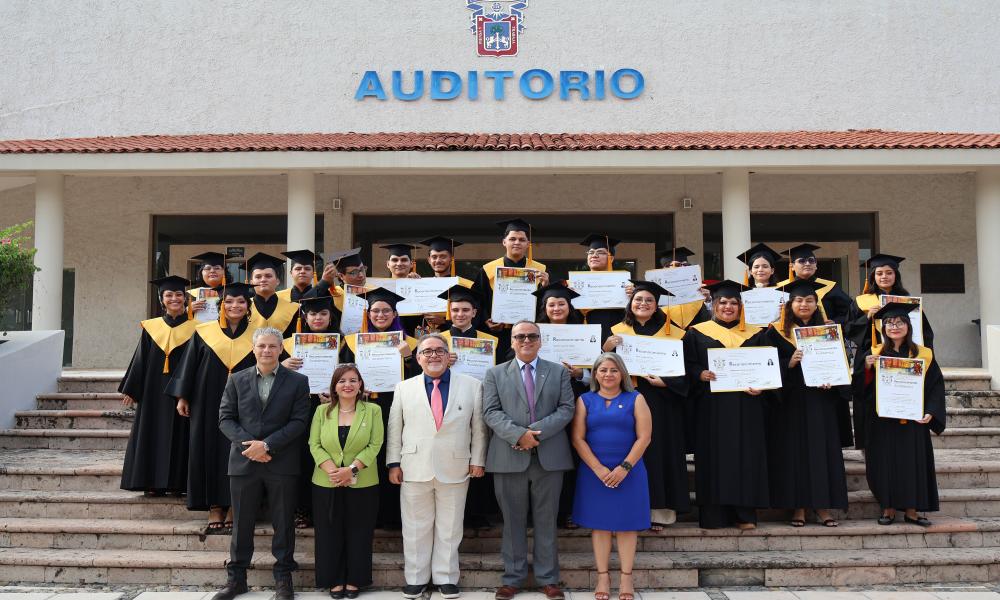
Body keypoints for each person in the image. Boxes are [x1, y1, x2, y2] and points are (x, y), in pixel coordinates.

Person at [213, 327, 311, 600]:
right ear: (253, 349)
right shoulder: (236, 379)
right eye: (262, 346)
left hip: (282, 462)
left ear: (281, 349)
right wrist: (251, 447)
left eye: (272, 346)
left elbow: (299, 421)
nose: (266, 351)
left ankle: (283, 580)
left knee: (283, 523)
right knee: (242, 523)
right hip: (244, 463)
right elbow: (225, 419)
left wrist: (267, 445)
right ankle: (237, 580)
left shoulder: (298, 381)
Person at [387, 333, 488, 599]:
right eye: (427, 351)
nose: (433, 355)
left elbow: (478, 428)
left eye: (439, 350)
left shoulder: (472, 385)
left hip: (455, 466)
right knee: (415, 527)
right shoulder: (403, 388)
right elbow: (395, 428)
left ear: (448, 355)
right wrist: (393, 462)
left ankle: (446, 578)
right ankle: (416, 578)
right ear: (418, 357)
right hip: (413, 466)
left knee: (450, 526)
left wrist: (477, 459)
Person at [482, 321, 575, 600]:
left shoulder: (558, 372)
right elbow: (490, 411)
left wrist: (535, 434)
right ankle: (513, 578)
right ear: (511, 341)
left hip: (549, 456)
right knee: (512, 521)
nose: (526, 340)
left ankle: (549, 579)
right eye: (520, 336)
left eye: (531, 336)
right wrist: (518, 435)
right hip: (509, 456)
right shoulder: (495, 373)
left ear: (540, 340)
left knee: (547, 520)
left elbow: (566, 408)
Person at [167, 282, 258, 531]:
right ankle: (214, 505)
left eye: (240, 302)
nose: (234, 306)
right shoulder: (204, 332)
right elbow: (189, 366)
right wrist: (183, 397)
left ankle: (233, 504)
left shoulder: (259, 334)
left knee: (239, 449)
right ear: (222, 305)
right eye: (229, 302)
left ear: (248, 306)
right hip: (207, 400)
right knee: (207, 449)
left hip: (246, 401)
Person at [683, 280, 771, 530]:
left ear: (741, 306)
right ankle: (714, 516)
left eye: (733, 302)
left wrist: (763, 384)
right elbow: (687, 365)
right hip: (712, 407)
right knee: (713, 458)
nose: (728, 306)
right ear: (713, 304)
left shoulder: (757, 332)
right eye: (723, 302)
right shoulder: (696, 332)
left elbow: (767, 366)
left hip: (747, 405)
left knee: (746, 457)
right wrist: (699, 373)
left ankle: (744, 514)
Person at [602, 281, 689, 529]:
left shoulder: (675, 333)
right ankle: (629, 509)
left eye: (649, 300)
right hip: (626, 401)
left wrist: (667, 382)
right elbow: (601, 370)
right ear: (630, 303)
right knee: (627, 451)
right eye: (638, 299)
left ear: (656, 305)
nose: (643, 304)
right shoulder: (615, 331)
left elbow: (687, 371)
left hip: (662, 402)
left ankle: (660, 512)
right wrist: (605, 348)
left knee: (659, 453)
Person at [765, 279, 849, 527]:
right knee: (793, 453)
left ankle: (823, 506)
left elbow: (841, 365)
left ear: (816, 304)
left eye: (809, 300)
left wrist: (832, 381)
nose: (804, 304)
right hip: (789, 402)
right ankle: (797, 507)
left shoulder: (829, 332)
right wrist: (787, 364)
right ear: (790, 304)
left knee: (821, 452)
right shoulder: (774, 332)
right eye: (799, 300)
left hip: (820, 401)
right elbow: (767, 366)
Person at [855, 303, 946, 527]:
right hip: (882, 420)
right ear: (882, 328)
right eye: (889, 323)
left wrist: (931, 412)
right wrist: (865, 369)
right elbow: (859, 389)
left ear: (909, 326)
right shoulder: (874, 354)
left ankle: (912, 510)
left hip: (912, 419)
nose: (894, 327)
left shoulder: (924, 354)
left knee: (912, 463)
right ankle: (887, 508)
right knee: (883, 463)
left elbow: (935, 386)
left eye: (899, 322)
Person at [571, 353, 651, 600]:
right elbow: (577, 438)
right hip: (595, 472)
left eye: (614, 370)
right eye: (603, 370)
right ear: (595, 374)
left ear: (622, 374)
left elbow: (644, 437)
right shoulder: (585, 400)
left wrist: (624, 468)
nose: (608, 375)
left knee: (627, 525)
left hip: (630, 471)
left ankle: (627, 578)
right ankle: (602, 577)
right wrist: (598, 469)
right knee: (600, 526)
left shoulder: (636, 398)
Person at [342, 287, 420, 529]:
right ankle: (368, 516)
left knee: (395, 457)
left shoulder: (411, 343)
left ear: (395, 313)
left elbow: (421, 379)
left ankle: (393, 516)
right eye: (375, 310)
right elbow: (343, 375)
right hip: (364, 407)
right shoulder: (354, 343)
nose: (380, 315)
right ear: (368, 313)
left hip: (399, 408)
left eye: (386, 310)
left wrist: (408, 357)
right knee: (367, 457)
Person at [310, 364, 383, 599]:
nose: (348, 385)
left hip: (363, 482)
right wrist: (334, 471)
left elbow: (375, 444)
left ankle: (355, 579)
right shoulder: (322, 412)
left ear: (360, 384)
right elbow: (314, 444)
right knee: (328, 532)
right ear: (334, 386)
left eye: (353, 380)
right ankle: (333, 579)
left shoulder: (372, 410)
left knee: (359, 531)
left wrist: (351, 470)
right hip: (326, 481)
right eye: (342, 381)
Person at [119, 276, 197, 496]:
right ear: (162, 299)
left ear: (185, 298)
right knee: (152, 433)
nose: (174, 298)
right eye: (169, 295)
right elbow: (140, 358)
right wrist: (132, 388)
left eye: (179, 294)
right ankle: (152, 482)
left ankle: (177, 483)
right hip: (154, 390)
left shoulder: (197, 328)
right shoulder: (151, 327)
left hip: (183, 389)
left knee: (182, 434)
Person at [437, 284, 500, 530]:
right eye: (455, 310)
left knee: (478, 452)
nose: (460, 314)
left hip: (481, 403)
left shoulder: (490, 341)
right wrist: (442, 364)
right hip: (447, 403)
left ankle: (477, 512)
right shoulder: (437, 341)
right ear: (449, 312)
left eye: (465, 310)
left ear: (475, 312)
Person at [280, 292, 344, 529]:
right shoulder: (290, 345)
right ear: (305, 317)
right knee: (304, 458)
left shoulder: (344, 343)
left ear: (330, 316)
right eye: (313, 313)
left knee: (331, 455)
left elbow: (352, 375)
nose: (318, 318)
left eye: (323, 313)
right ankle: (303, 508)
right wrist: (281, 365)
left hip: (333, 407)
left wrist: (336, 395)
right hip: (300, 409)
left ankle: (329, 508)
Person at [532, 282, 589, 529]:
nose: (556, 308)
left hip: (575, 401)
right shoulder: (533, 334)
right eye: (551, 304)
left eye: (561, 303)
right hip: (540, 400)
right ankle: (538, 513)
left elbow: (595, 374)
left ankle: (567, 511)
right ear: (545, 307)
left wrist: (579, 374)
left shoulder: (585, 333)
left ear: (569, 306)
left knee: (571, 456)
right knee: (542, 456)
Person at [472, 218, 549, 351]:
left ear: (528, 244)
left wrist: (546, 286)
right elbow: (477, 300)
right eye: (512, 239)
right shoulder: (488, 270)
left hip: (528, 336)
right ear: (504, 242)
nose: (517, 242)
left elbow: (547, 306)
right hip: (497, 334)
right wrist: (486, 320)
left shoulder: (540, 270)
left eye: (522, 239)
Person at [774, 243, 853, 325]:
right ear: (792, 266)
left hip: (824, 334)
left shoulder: (830, 287)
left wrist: (835, 322)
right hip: (789, 334)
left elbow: (849, 312)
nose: (807, 263)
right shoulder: (780, 288)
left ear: (816, 265)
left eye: (811, 260)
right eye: (802, 261)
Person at [420, 236, 475, 333]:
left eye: (443, 256)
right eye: (434, 257)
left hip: (455, 336)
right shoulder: (421, 285)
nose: (438, 260)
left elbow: (474, 317)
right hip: (427, 336)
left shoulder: (464, 285)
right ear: (429, 260)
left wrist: (444, 321)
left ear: (451, 258)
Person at [577, 234, 626, 343]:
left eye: (600, 252)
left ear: (611, 258)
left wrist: (630, 297)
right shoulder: (574, 284)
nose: (594, 255)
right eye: (591, 252)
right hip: (582, 338)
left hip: (612, 336)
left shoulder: (623, 285)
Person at [655, 247, 711, 331]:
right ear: (665, 268)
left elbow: (711, 320)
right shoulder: (655, 291)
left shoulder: (700, 289)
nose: (682, 267)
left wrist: (707, 300)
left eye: (685, 265)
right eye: (677, 265)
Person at [246, 252, 300, 337]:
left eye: (268, 276)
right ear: (251, 282)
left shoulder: (294, 309)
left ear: (277, 281)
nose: (263, 279)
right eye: (258, 277)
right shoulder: (243, 308)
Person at [187, 251, 227, 320]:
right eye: (208, 268)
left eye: (217, 268)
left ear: (224, 272)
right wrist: (187, 311)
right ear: (201, 273)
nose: (212, 271)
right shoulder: (190, 295)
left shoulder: (233, 292)